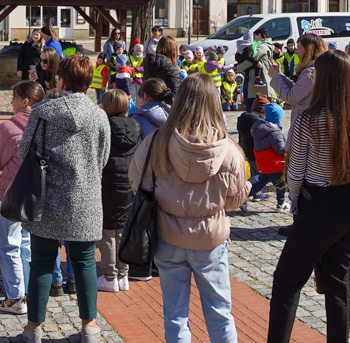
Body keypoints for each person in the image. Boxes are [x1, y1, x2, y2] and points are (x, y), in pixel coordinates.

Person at [129, 74, 249, 343]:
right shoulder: (229, 149)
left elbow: (139, 183)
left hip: (168, 237)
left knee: (175, 317)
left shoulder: (158, 141)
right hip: (210, 239)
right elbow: (233, 200)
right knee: (220, 314)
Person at [267, 50, 350, 343]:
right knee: (339, 284)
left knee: (287, 281)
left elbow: (296, 171)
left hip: (321, 206)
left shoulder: (310, 119)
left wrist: (296, 202)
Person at [16, 55, 109, 343]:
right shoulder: (99, 115)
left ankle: (33, 329)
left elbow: (23, 152)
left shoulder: (42, 112)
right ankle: (90, 326)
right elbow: (102, 158)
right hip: (86, 198)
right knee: (83, 262)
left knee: (42, 261)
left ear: (62, 80)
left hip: (46, 196)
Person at [0, 80, 46, 316]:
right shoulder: (49, 125)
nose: (10, 102)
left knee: (8, 244)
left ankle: (15, 297)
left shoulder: (9, 127)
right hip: (39, 194)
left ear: (25, 102)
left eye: (13, 98)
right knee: (26, 244)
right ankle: (26, 290)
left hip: (14, 195)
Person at [97, 89, 142, 293]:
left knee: (108, 232)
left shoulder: (103, 127)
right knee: (123, 231)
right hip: (129, 185)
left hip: (107, 184)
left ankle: (110, 276)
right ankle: (123, 275)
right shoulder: (135, 126)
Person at [268, 33, 326, 147]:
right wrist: (280, 75)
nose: (296, 52)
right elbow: (298, 89)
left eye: (299, 48)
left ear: (309, 50)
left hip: (304, 127)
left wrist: (275, 78)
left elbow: (291, 97)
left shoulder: (311, 72)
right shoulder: (314, 69)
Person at [251, 102, 289, 210]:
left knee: (260, 183)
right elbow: (281, 149)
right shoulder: (275, 133)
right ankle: (281, 205)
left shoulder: (260, 129)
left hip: (264, 164)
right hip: (275, 165)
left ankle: (242, 198)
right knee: (280, 185)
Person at [235, 27, 275, 112]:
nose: (253, 38)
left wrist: (238, 67)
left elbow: (252, 59)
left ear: (259, 35)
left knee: (253, 107)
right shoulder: (267, 46)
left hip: (256, 82)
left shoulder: (261, 46)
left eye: (254, 36)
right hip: (260, 81)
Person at [141, 36, 182, 102]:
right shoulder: (172, 70)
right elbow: (175, 96)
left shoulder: (148, 65)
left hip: (147, 105)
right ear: (174, 51)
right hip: (165, 108)